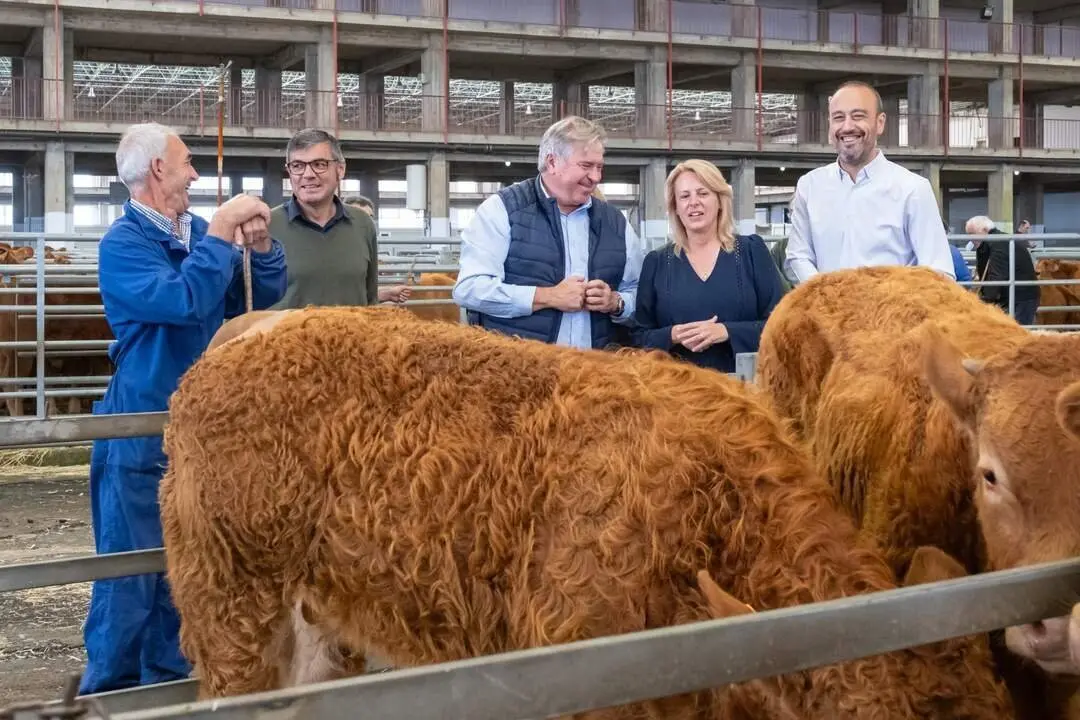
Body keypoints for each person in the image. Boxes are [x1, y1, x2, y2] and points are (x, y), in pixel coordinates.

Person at [81, 122, 287, 695]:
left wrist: (262, 249)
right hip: (142, 417)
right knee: (131, 568)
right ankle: (109, 692)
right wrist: (221, 235)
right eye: (187, 162)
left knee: (187, 564)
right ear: (157, 171)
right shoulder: (123, 245)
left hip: (204, 421)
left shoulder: (195, 232)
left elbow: (257, 298)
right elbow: (181, 300)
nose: (196, 173)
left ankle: (168, 687)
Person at [453, 116, 643, 349]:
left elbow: (639, 292)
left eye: (599, 167)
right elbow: (470, 289)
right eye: (586, 166)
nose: (596, 177)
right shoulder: (502, 210)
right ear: (552, 162)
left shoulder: (616, 223)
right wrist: (547, 297)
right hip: (522, 371)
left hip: (596, 374)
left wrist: (616, 302)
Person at [784, 80, 954, 283]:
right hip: (827, 312)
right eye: (838, 118)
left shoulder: (913, 189)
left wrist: (880, 302)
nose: (847, 127)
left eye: (858, 116)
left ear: (879, 123)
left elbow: (940, 273)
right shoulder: (809, 186)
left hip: (890, 312)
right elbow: (798, 256)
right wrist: (828, 296)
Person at [632, 159, 784, 373]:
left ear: (720, 200)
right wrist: (672, 335)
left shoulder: (752, 252)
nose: (694, 202)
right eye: (684, 196)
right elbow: (638, 337)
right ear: (675, 207)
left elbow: (781, 325)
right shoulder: (656, 263)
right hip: (675, 391)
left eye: (703, 193)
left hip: (744, 390)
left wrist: (726, 331)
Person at [268, 129, 387, 309]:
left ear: (340, 169)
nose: (307, 174)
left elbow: (371, 298)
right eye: (298, 165)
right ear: (289, 171)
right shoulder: (267, 226)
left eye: (319, 164)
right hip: (286, 337)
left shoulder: (363, 224)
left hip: (352, 336)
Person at [964, 214, 1039, 325]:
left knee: (1016, 334)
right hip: (1017, 295)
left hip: (1020, 297)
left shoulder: (998, 244)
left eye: (972, 234)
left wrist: (982, 302)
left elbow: (996, 276)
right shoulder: (995, 242)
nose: (970, 238)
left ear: (984, 230)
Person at [343, 193, 410, 304]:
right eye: (359, 216)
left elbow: (361, 293)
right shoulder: (333, 249)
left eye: (370, 217)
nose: (366, 223)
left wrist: (386, 294)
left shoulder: (367, 250)